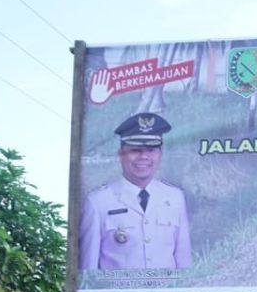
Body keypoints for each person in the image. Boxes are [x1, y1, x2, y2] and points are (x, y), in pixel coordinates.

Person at [79, 112, 191, 271]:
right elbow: (87, 272)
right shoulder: (98, 202)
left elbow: (184, 262)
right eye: (135, 150)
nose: (143, 157)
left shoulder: (175, 198)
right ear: (121, 155)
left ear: (160, 154)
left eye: (151, 150)